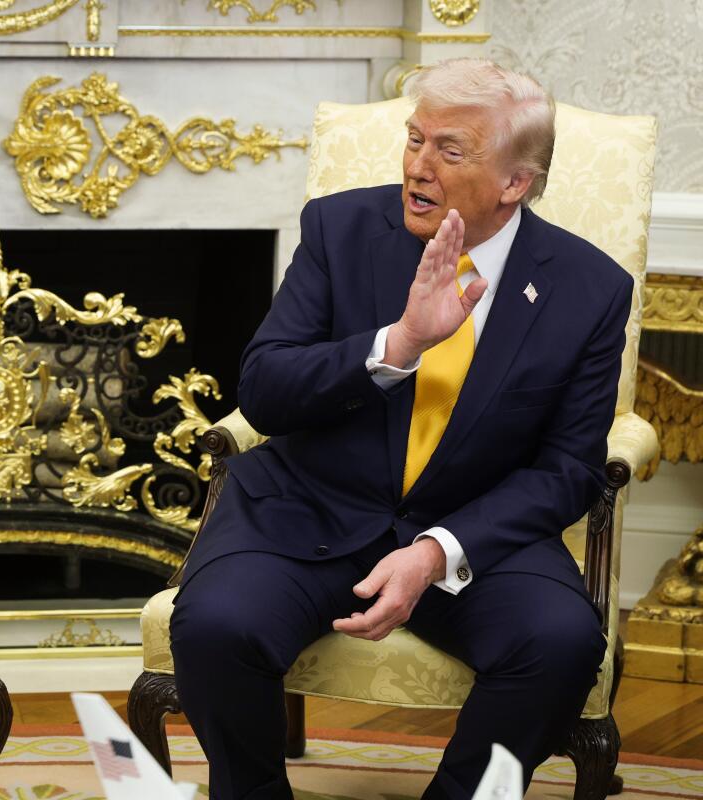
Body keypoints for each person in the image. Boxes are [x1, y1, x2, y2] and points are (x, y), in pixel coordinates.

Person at [169, 58, 632, 800]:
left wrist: (436, 551)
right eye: (415, 139)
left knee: (560, 643)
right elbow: (264, 391)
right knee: (216, 625)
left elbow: (568, 470)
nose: (418, 166)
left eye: (450, 151)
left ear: (514, 182)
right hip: (310, 510)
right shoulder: (340, 228)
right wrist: (399, 344)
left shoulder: (590, 289)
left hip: (473, 533)